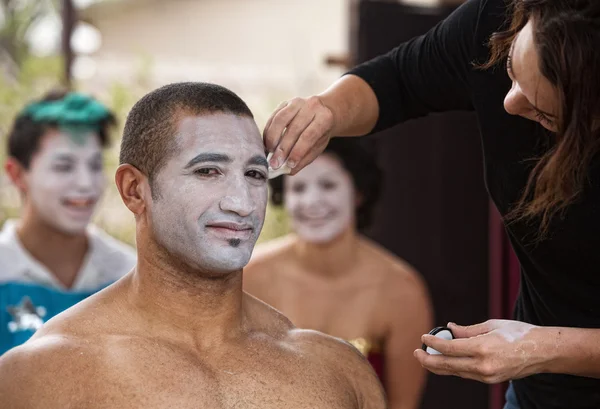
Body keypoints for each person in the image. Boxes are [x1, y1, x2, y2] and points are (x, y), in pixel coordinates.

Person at [260, 0, 600, 408]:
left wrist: (541, 348)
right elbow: (399, 80)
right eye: (510, 69)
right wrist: (329, 110)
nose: (509, 104)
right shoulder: (495, 19)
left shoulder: (396, 289)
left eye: (542, 111)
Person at [0, 82, 386, 409]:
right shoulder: (40, 375)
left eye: (254, 174)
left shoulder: (338, 371)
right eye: (207, 171)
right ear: (135, 190)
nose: (242, 202)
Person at [244, 137, 433, 409]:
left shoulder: (402, 290)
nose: (312, 201)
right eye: (298, 188)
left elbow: (403, 405)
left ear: (358, 192)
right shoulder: (250, 276)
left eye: (328, 185)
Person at [0, 90, 136, 355]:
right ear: (17, 174)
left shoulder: (129, 273)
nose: (86, 184)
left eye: (96, 166)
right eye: (64, 166)